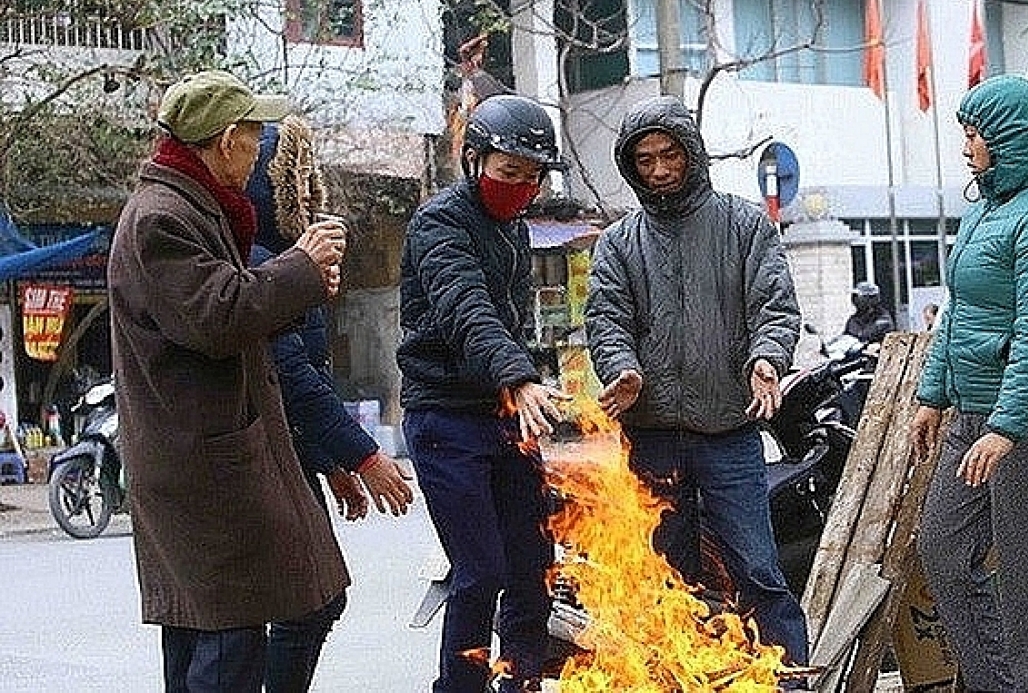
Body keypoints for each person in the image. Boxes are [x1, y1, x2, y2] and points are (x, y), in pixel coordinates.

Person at [107, 69, 351, 692]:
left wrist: (297, 284)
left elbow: (225, 306)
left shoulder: (194, 207)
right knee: (225, 635)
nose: (259, 153)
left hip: (207, 456)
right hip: (200, 464)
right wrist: (301, 266)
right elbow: (217, 316)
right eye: (253, 138)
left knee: (213, 627)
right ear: (224, 142)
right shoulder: (162, 218)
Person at [584, 95, 811, 669]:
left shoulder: (744, 225)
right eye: (645, 160)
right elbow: (606, 319)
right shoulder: (618, 242)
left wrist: (766, 358)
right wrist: (623, 369)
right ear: (630, 166)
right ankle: (678, 676)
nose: (659, 169)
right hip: (651, 435)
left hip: (729, 431)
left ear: (691, 154)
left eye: (670, 155)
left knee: (757, 568)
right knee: (664, 576)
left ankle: (791, 677)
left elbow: (775, 306)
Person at [909, 75, 1028, 692]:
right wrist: (932, 395)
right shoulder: (987, 208)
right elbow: (959, 309)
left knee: (1026, 574)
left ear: (1010, 139)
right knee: (942, 551)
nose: (966, 145)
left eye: (975, 133)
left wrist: (1007, 428)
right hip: (973, 417)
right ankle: (995, 683)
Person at [396, 94, 569, 693]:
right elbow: (466, 310)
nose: (519, 187)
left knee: (533, 567)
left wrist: (531, 381)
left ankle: (520, 682)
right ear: (474, 161)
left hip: (503, 415)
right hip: (445, 418)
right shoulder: (439, 224)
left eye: (531, 177)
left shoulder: (516, 229)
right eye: (508, 171)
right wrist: (516, 376)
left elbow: (512, 321)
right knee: (480, 571)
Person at [247, 117, 415, 693]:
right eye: (293, 184)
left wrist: (331, 462)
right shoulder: (260, 259)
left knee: (312, 602)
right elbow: (291, 374)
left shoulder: (289, 258)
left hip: (294, 455)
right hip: (265, 459)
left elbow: (307, 370)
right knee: (308, 603)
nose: (307, 196)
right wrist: (363, 456)